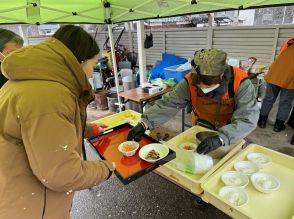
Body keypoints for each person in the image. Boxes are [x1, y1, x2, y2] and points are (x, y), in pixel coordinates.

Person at [0, 25, 114, 219]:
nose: (90, 73)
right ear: (79, 61)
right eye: (92, 65)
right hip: (30, 204)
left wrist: (88, 129)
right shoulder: (49, 95)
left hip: (13, 186)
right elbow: (61, 174)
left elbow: (43, 129)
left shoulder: (33, 79)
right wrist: (107, 168)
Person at [128, 49, 259, 156]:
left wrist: (221, 138)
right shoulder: (190, 81)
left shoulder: (241, 82)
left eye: (208, 85)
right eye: (200, 85)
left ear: (221, 75)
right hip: (200, 128)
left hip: (232, 133)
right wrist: (145, 123)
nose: (204, 90)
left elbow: (247, 118)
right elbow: (169, 103)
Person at [258, 37, 294, 132]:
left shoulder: (289, 43)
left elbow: (280, 56)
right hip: (290, 78)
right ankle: (278, 126)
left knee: (268, 99)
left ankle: (262, 122)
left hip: (274, 74)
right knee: (285, 102)